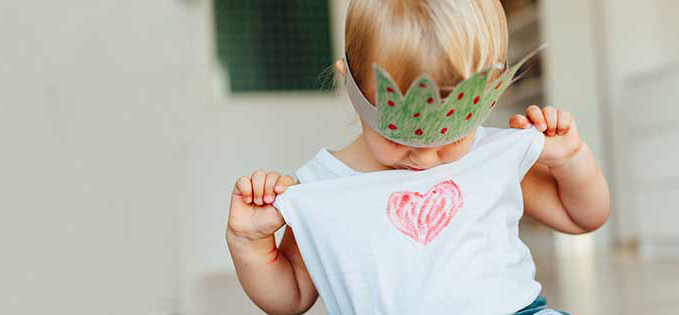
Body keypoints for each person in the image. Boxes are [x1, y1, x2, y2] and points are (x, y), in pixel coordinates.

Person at [225, 1, 610, 314]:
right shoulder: (324, 186)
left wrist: (571, 159)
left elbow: (581, 216)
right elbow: (291, 296)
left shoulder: (488, 154)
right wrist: (251, 243)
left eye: (451, 137)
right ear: (352, 86)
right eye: (400, 138)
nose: (426, 159)